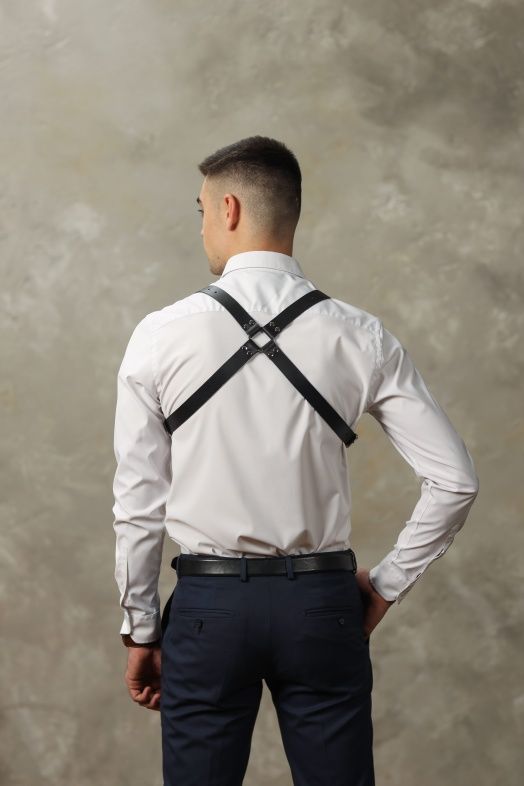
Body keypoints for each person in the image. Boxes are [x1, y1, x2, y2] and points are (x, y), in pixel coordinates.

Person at [111, 135, 479, 786]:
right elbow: (455, 482)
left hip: (208, 610)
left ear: (228, 209)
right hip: (322, 605)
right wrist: (385, 585)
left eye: (201, 210)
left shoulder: (160, 335)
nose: (203, 225)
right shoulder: (362, 335)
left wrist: (141, 629)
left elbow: (139, 505)